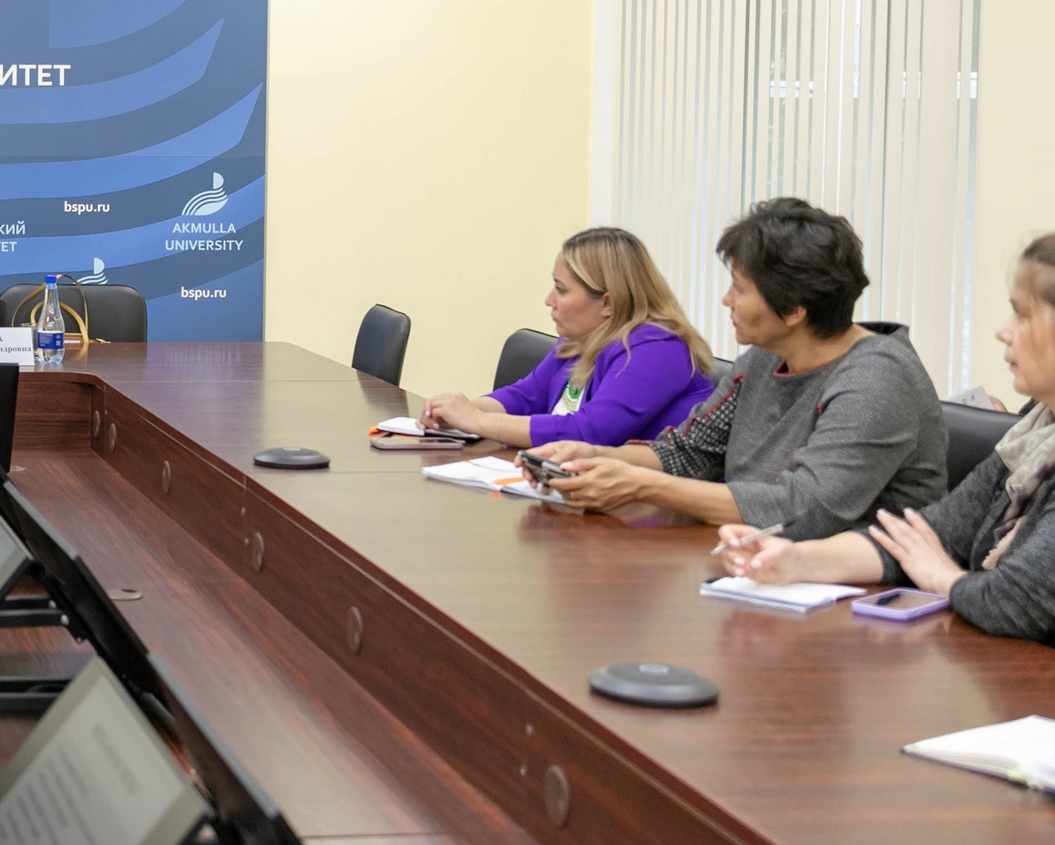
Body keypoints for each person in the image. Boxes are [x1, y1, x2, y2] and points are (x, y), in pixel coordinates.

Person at [535, 198, 947, 536]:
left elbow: (805, 509)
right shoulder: (766, 356)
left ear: (794, 310)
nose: (726, 300)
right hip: (757, 558)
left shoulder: (876, 382)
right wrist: (595, 456)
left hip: (855, 588)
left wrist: (642, 485)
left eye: (740, 287)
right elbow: (690, 452)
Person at [717, 234, 1055, 640]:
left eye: (1022, 315)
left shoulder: (879, 375)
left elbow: (1018, 603)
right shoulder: (1034, 434)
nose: (1003, 331)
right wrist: (795, 559)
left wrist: (943, 578)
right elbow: (923, 536)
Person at [421, 227, 717, 449]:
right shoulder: (579, 339)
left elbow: (590, 433)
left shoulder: (658, 348)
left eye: (561, 290)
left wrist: (477, 421)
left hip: (661, 507)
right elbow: (526, 397)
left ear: (607, 303)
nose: (549, 300)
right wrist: (457, 412)